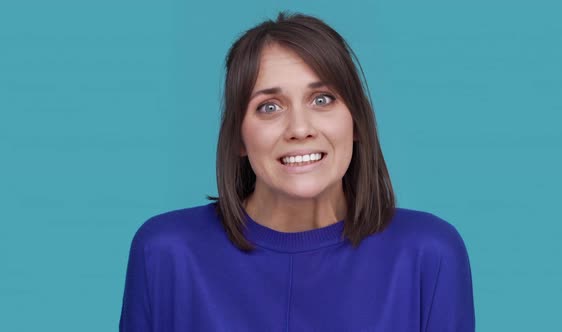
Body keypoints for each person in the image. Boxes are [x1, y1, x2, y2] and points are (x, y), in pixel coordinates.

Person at [119, 11, 475, 332]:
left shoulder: (428, 254)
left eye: (322, 99)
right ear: (238, 138)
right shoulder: (165, 253)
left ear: (356, 122)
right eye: (269, 106)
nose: (300, 128)